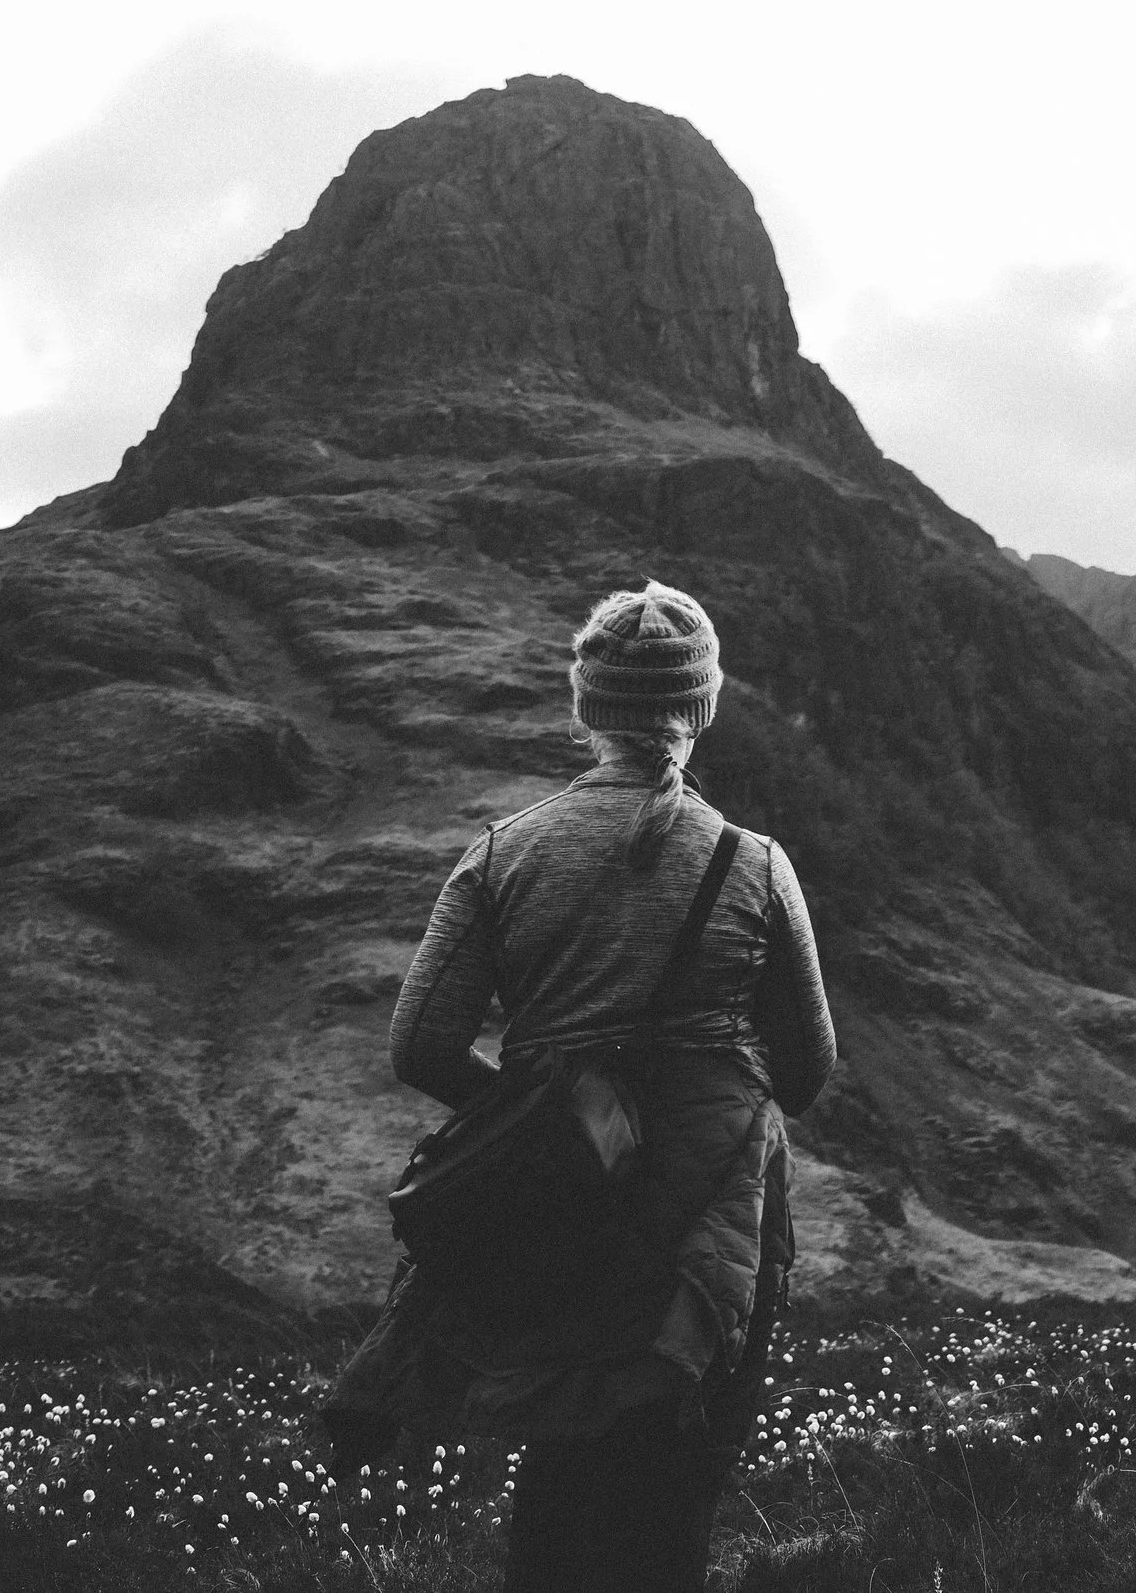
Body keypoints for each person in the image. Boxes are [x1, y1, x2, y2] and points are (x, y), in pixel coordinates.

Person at [323, 580, 838, 1593]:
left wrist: (561, 1116)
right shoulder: (754, 864)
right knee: (673, 1486)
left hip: (555, 1202)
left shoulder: (502, 852)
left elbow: (422, 1045)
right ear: (699, 706)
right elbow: (808, 1071)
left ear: (587, 706)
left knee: (560, 1470)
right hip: (713, 1209)